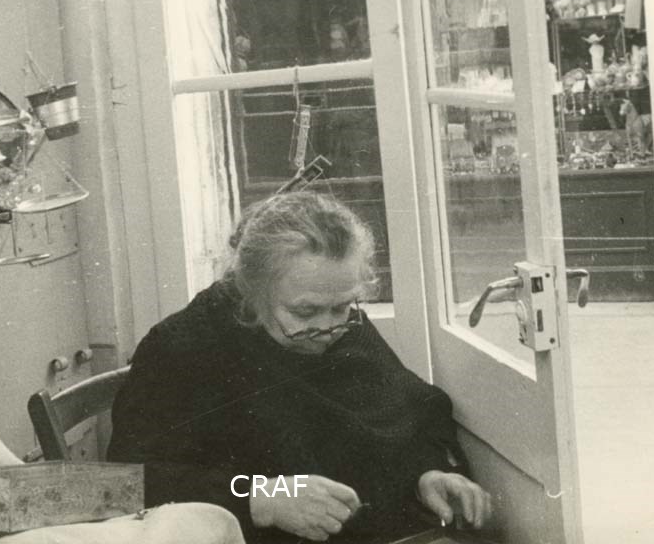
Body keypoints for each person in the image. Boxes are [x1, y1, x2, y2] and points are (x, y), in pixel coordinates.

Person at [108, 191, 493, 543]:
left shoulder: (345, 327)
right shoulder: (184, 346)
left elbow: (401, 419)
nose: (326, 330)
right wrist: (264, 497)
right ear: (252, 291)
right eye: (305, 312)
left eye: (341, 307)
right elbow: (120, 486)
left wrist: (427, 475)